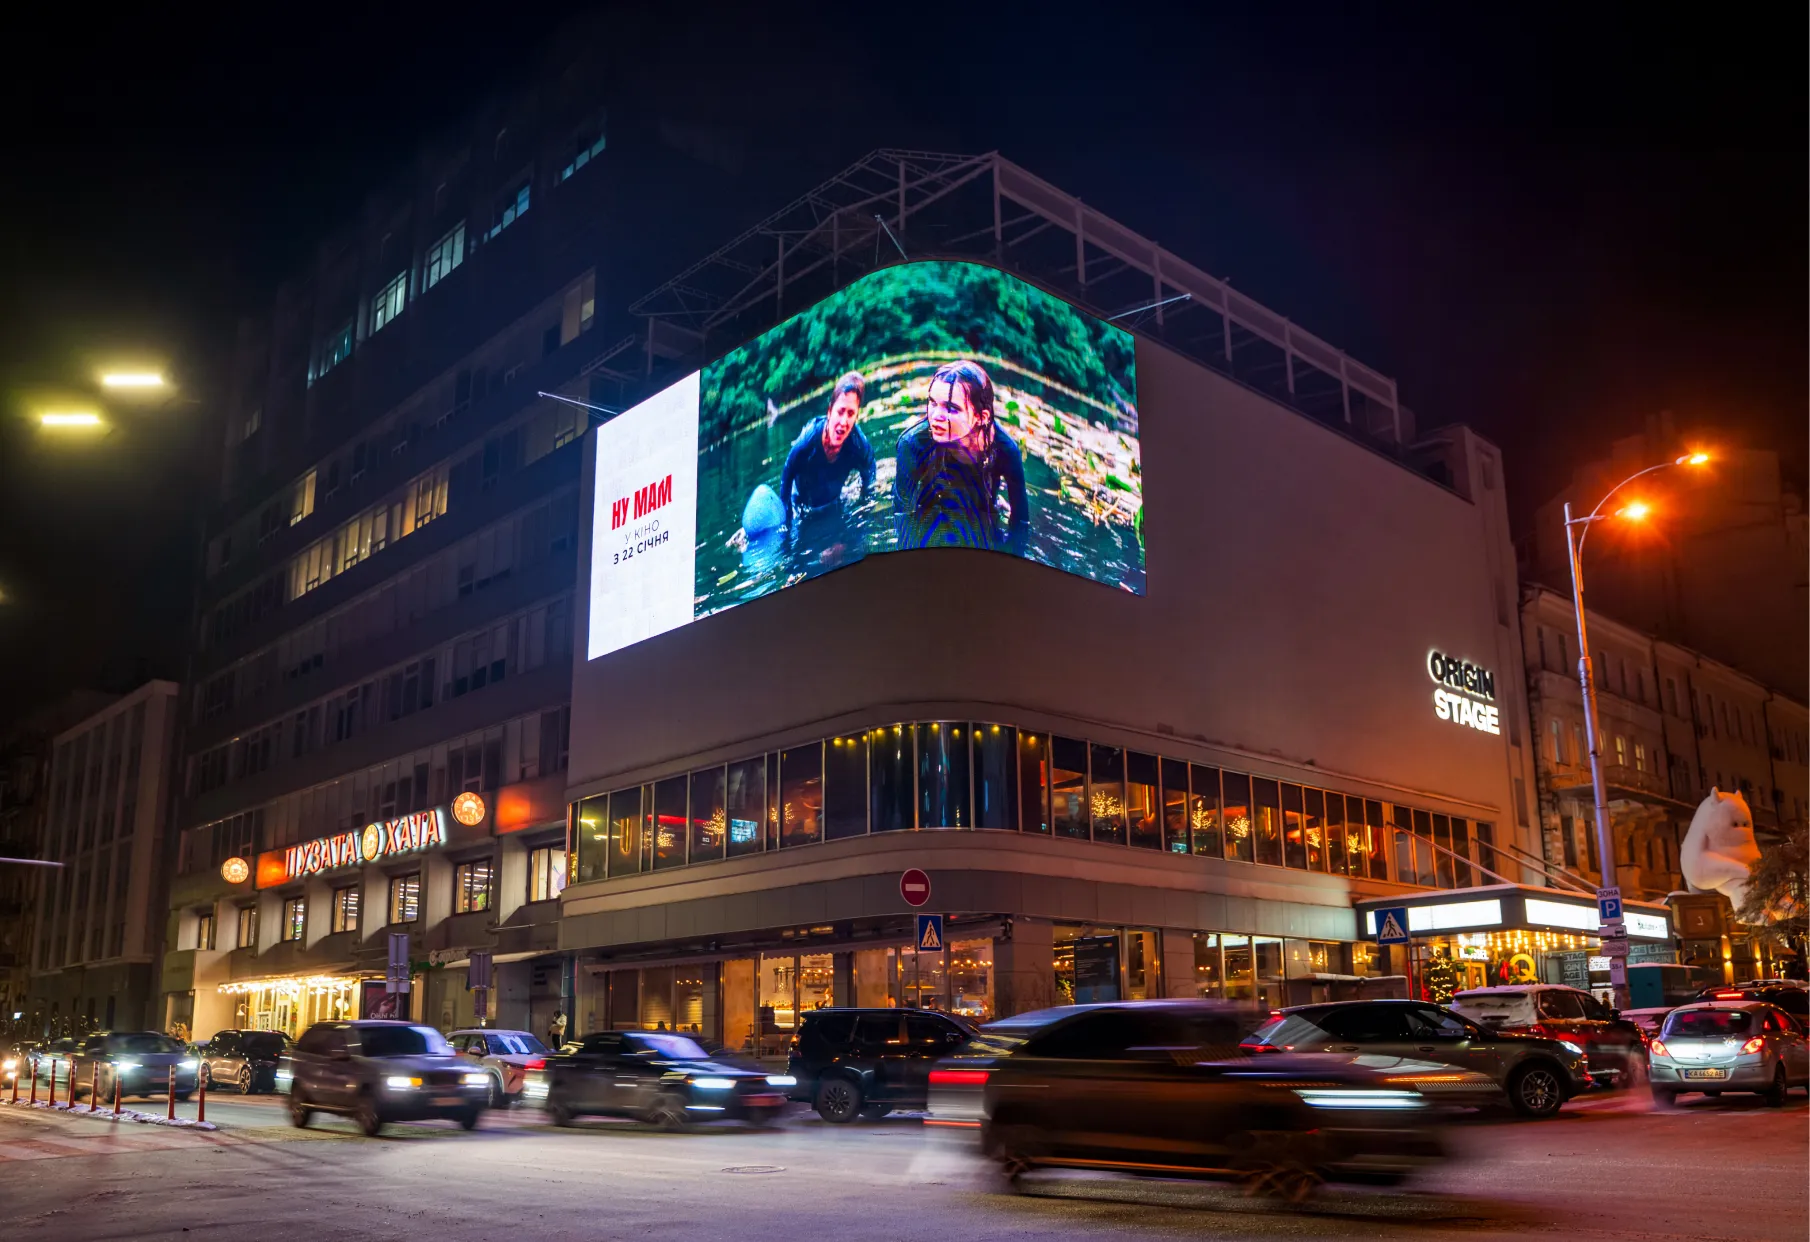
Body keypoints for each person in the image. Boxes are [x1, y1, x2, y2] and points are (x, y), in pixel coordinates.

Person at [893, 360, 1028, 554]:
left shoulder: (1005, 450)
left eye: (951, 408)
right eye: (932, 402)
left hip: (980, 512)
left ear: (982, 417)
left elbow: (1021, 522)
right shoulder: (913, 444)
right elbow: (903, 515)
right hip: (931, 509)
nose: (936, 416)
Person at [776, 371, 878, 567]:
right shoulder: (807, 441)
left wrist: (861, 520)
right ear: (830, 411)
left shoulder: (858, 445)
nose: (844, 421)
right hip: (802, 508)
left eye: (851, 414)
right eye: (840, 411)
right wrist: (786, 530)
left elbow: (870, 478)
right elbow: (786, 477)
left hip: (834, 505)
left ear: (856, 416)